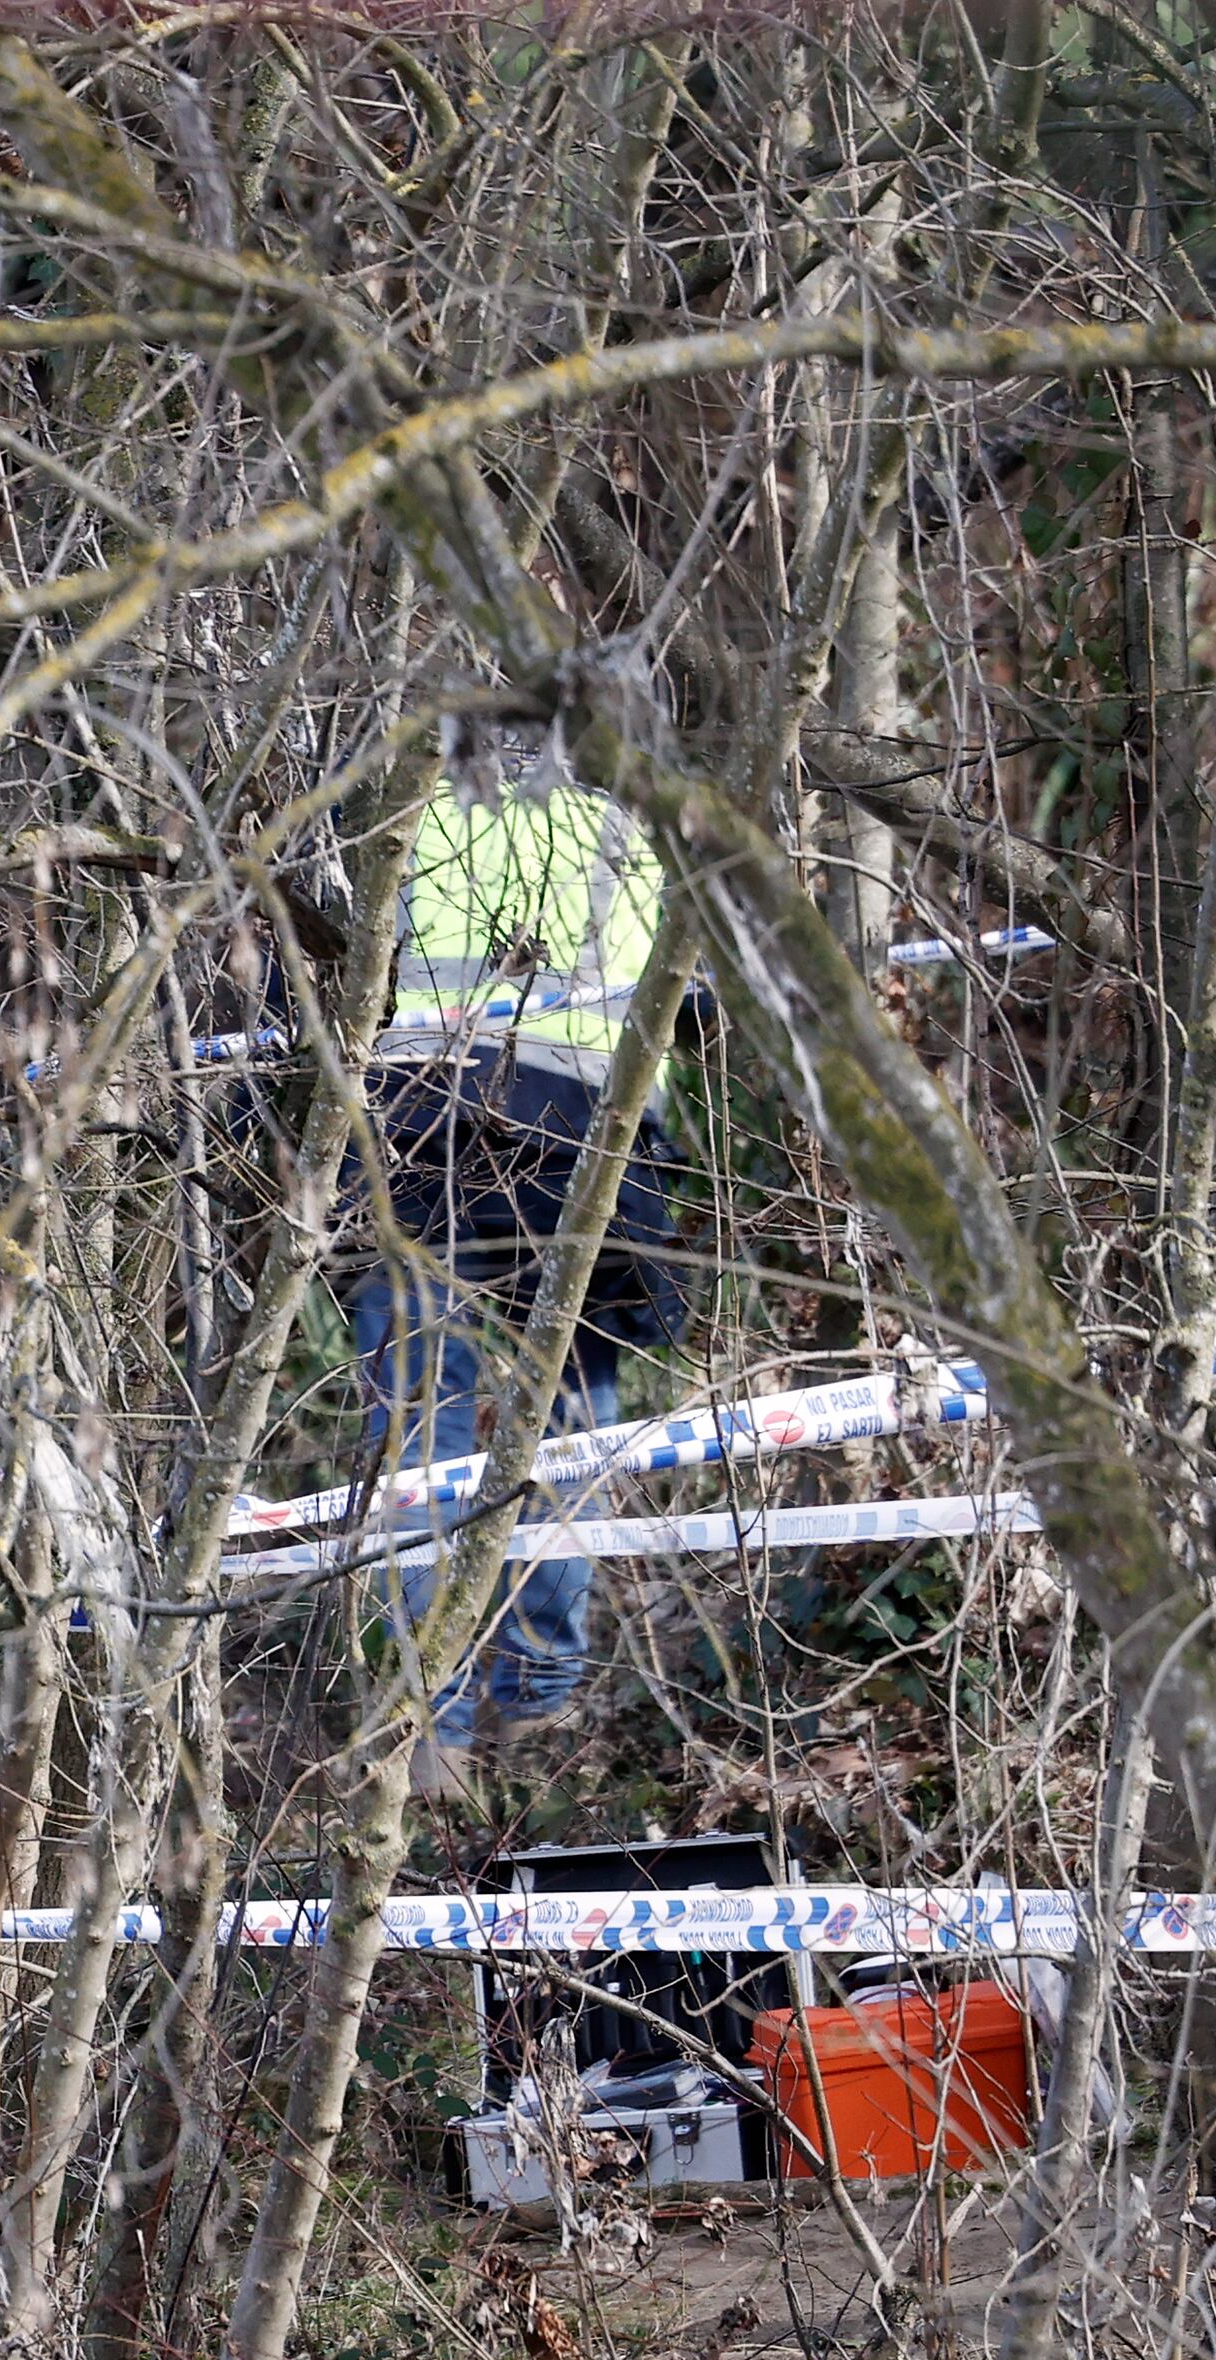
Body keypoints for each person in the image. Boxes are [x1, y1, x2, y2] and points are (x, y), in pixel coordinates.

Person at [347, 717, 692, 1804]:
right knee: (572, 1425)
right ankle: (541, 1701)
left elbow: (330, 993)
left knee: (418, 1442)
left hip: (426, 1146)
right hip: (586, 1155)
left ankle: (426, 1733)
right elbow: (691, 998)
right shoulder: (626, 833)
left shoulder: (407, 821)